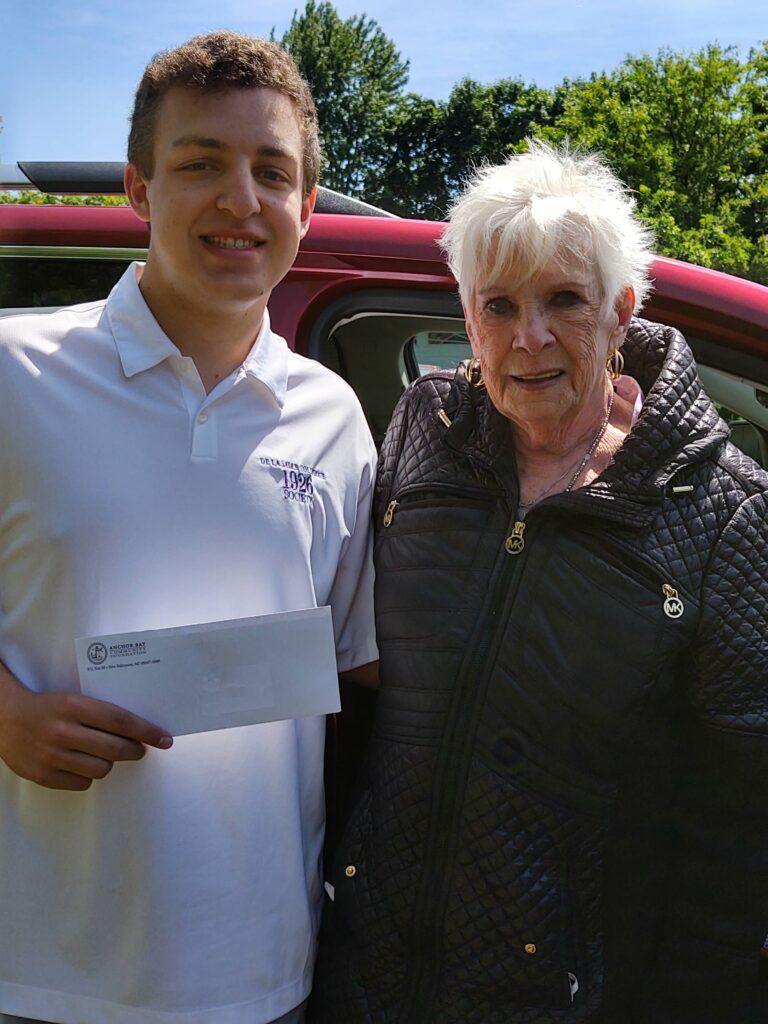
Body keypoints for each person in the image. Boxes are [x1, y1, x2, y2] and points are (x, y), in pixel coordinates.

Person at [310, 142, 768, 1023]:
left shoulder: (724, 509)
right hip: (364, 974)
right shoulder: (425, 428)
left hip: (564, 998)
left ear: (621, 311)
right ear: (467, 316)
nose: (530, 337)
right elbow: (353, 670)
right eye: (500, 305)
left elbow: (739, 824)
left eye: (565, 299)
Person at [0, 32, 377, 1024]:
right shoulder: (13, 372)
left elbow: (362, 666)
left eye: (272, 172)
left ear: (306, 204)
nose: (240, 201)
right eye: (201, 164)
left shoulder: (335, 417)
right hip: (35, 971)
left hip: (260, 978)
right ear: (139, 187)